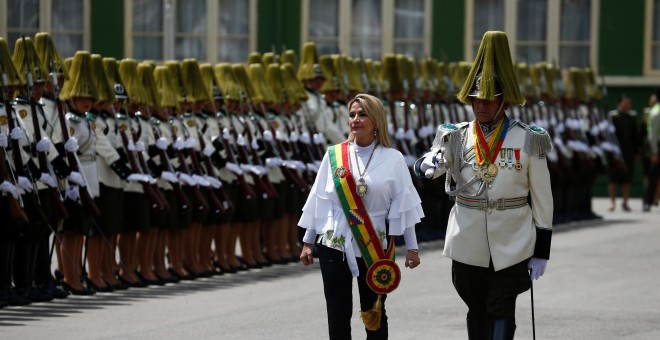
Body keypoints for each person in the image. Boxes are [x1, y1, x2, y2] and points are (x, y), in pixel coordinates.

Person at [415, 31, 553, 339]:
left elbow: (543, 199)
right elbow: (430, 167)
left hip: (513, 239)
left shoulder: (528, 137)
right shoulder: (457, 135)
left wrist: (542, 248)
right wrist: (427, 164)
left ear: (504, 101)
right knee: (477, 308)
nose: (481, 106)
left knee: (500, 307)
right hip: (468, 239)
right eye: (476, 99)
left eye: (488, 100)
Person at [299, 93, 423, 339]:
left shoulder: (393, 158)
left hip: (373, 244)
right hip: (335, 243)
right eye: (352, 114)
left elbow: (404, 205)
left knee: (374, 313)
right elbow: (318, 201)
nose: (355, 119)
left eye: (362, 114)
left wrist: (412, 248)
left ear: (376, 120)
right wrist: (307, 242)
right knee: (337, 313)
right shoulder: (334, 155)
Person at [608, 95, 639, 212]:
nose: (627, 106)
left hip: (628, 152)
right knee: (613, 178)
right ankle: (612, 202)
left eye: (629, 104)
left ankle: (625, 202)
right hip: (615, 152)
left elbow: (635, 136)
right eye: (625, 104)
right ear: (619, 104)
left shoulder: (631, 118)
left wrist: (636, 151)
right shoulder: (613, 117)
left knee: (627, 178)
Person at [644, 91, 660, 212]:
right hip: (658, 147)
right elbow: (652, 135)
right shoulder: (656, 112)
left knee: (653, 176)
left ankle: (647, 202)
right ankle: (647, 202)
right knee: (653, 176)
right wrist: (655, 152)